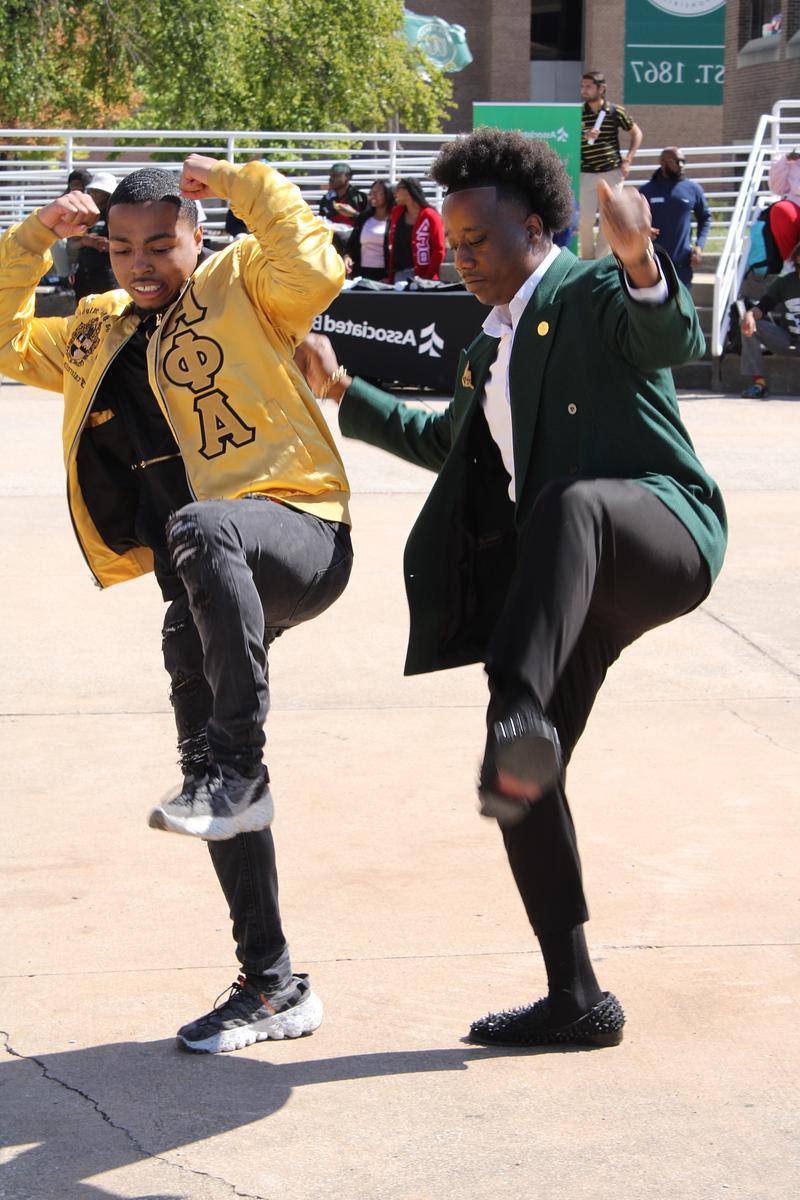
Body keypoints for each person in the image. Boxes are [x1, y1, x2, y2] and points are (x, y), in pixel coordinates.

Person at [296, 128, 726, 1049]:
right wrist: (345, 392)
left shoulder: (585, 288)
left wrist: (642, 257)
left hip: (661, 533)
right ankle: (575, 996)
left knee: (568, 508)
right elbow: (446, 444)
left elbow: (667, 333)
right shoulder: (487, 348)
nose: (459, 258)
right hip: (576, 586)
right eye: (450, 243)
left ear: (536, 229)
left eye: (477, 242)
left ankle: (521, 702)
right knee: (516, 775)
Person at [0, 153, 353, 1053]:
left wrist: (239, 181)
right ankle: (272, 985)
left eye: (161, 245)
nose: (141, 264)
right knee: (210, 785)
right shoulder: (93, 331)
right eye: (122, 250)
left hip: (298, 532)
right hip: (201, 582)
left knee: (203, 531)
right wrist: (37, 239)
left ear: (196, 239)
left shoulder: (244, 284)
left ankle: (236, 763)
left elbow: (315, 265)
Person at [579, 70, 642, 259]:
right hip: (586, 172)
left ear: (601, 88)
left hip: (612, 172)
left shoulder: (616, 112)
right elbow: (568, 134)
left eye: (588, 86)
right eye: (582, 86)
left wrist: (628, 159)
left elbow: (636, 133)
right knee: (585, 220)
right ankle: (587, 261)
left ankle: (600, 261)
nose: (584, 90)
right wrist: (584, 135)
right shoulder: (578, 113)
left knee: (609, 219)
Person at [639, 147, 711, 289]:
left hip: (681, 264)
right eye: (676, 161)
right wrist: (644, 229)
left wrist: (699, 246)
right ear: (662, 162)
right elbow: (634, 221)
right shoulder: (646, 190)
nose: (681, 165)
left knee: (681, 308)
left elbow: (705, 218)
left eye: (683, 161)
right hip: (652, 262)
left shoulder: (693, 189)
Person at [739, 238, 800, 399]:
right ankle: (759, 384)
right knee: (747, 323)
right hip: (788, 341)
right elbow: (763, 307)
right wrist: (750, 315)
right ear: (798, 258)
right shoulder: (785, 283)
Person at [386, 177, 445, 283]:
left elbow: (439, 250)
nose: (395, 193)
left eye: (398, 189)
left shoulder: (430, 216)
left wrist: (428, 277)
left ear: (407, 191)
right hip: (398, 274)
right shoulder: (397, 212)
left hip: (423, 276)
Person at [72, 170, 118, 300]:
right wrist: (86, 241)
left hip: (107, 272)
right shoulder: (85, 214)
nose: (93, 194)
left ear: (107, 194)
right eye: (92, 190)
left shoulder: (115, 215)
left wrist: (108, 245)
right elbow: (72, 244)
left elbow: (127, 246)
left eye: (98, 191)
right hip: (84, 272)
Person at [345, 180, 394, 280]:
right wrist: (347, 257)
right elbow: (351, 244)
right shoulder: (363, 218)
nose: (372, 195)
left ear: (388, 194)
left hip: (384, 275)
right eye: (371, 192)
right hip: (361, 273)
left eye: (377, 192)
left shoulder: (395, 220)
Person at [767, 148, 800, 267]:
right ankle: (790, 264)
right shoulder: (794, 160)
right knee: (781, 210)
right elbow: (777, 189)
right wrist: (786, 160)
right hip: (796, 203)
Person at [319, 161, 367, 228]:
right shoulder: (326, 199)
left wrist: (354, 214)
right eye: (331, 175)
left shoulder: (361, 198)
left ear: (348, 177)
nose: (331, 178)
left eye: (336, 175)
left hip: (353, 236)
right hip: (332, 236)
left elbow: (368, 222)